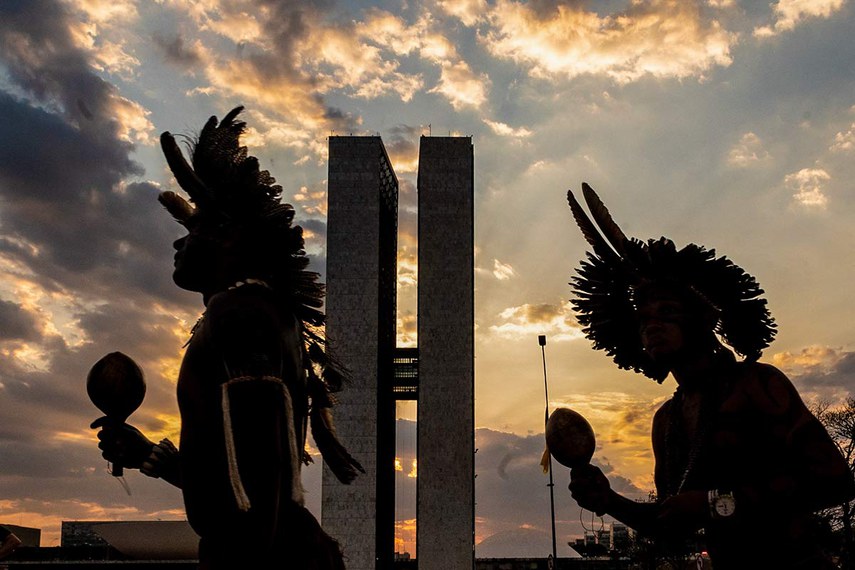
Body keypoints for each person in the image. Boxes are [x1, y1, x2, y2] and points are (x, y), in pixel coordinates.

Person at [91, 107, 363, 569]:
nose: (180, 241)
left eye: (198, 227)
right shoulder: (257, 312)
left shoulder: (240, 314)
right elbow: (242, 479)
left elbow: (262, 485)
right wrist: (149, 455)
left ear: (233, 239)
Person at [563, 183, 855, 569]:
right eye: (643, 319)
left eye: (667, 312)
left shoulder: (758, 385)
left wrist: (713, 503)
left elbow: (834, 480)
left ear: (701, 320)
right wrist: (609, 501)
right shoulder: (667, 420)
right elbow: (672, 525)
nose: (651, 326)